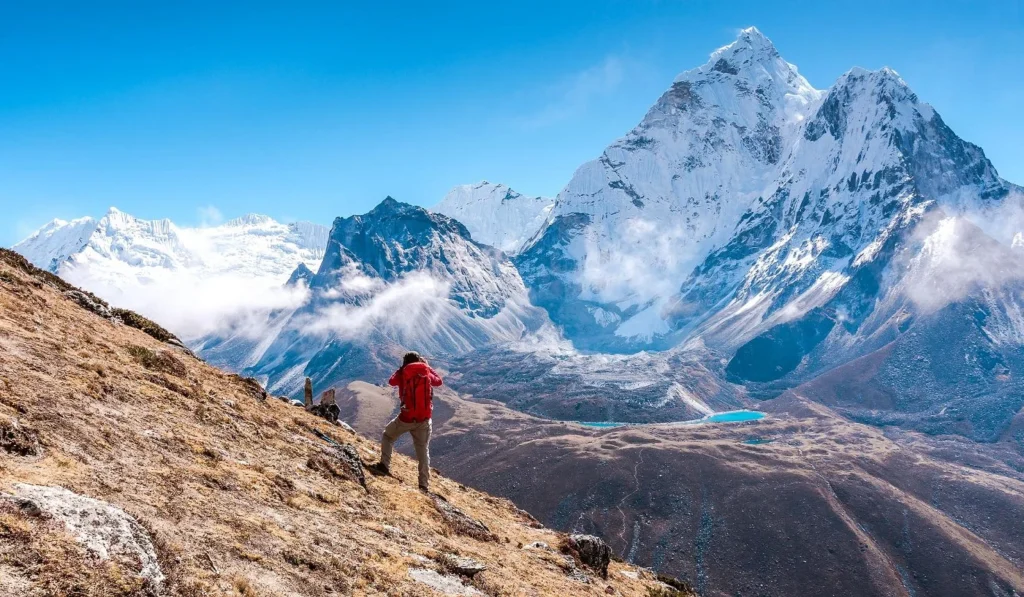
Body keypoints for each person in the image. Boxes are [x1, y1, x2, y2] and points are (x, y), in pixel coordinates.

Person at [369, 351, 443, 491]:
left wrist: (401, 368)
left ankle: (384, 465)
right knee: (422, 450)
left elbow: (391, 381)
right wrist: (427, 366)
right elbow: (438, 381)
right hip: (424, 419)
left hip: (406, 417)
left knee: (388, 436)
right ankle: (423, 485)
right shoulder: (426, 371)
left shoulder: (403, 373)